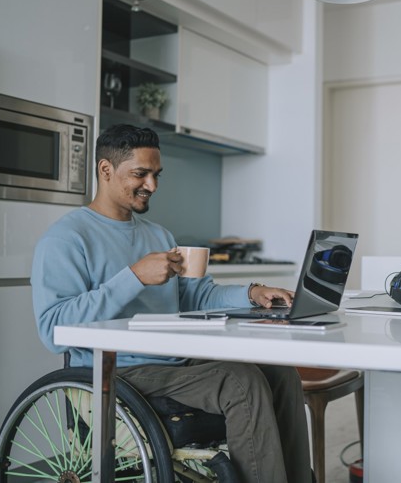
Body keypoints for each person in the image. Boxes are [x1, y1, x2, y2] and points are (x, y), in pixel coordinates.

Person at [31, 124, 312, 482]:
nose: (152, 185)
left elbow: (195, 296)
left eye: (156, 174)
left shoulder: (159, 234)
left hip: (173, 359)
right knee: (239, 381)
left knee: (280, 372)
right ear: (105, 170)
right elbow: (53, 330)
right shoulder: (65, 239)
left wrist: (252, 292)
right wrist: (133, 276)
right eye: (141, 174)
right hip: (118, 369)